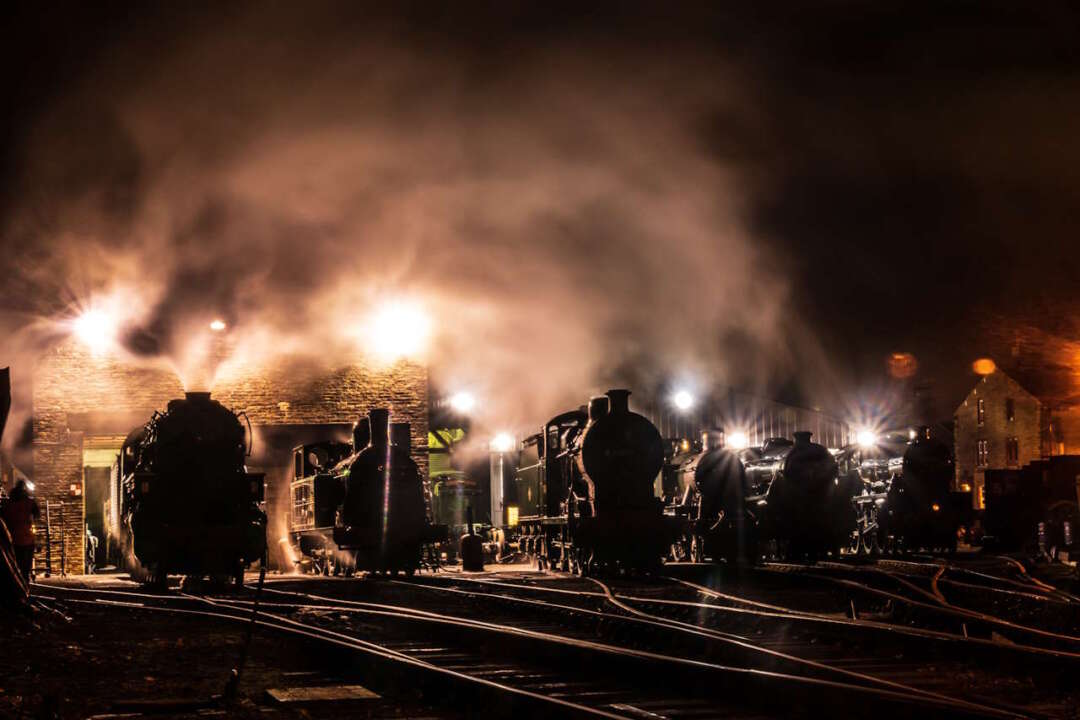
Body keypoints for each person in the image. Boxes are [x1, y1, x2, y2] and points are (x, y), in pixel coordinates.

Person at [1, 480, 40, 583]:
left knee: (16, 563)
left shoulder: (8, 503)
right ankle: (25, 582)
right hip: (27, 538)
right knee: (26, 565)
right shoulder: (29, 502)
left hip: (13, 538)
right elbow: (37, 514)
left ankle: (18, 582)